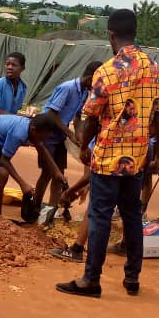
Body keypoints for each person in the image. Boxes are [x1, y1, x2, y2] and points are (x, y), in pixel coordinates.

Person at [56, 9, 159, 298]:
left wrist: (83, 146)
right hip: (138, 156)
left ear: (111, 35)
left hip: (108, 156)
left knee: (100, 214)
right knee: (132, 216)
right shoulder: (156, 69)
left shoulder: (106, 71)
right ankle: (132, 279)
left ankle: (91, 280)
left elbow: (91, 118)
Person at [34, 60, 104, 212]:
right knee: (47, 173)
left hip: (59, 136)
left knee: (59, 174)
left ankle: (51, 209)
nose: (99, 86)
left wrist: (79, 136)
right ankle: (35, 207)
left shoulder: (85, 92)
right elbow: (51, 113)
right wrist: (70, 133)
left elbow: (77, 117)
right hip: (47, 134)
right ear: (91, 77)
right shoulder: (67, 88)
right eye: (98, 80)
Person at [0, 112, 66, 215]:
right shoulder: (19, 134)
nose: (42, 140)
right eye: (42, 137)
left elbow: (41, 147)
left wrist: (56, 172)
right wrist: (22, 184)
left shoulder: (31, 128)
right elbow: (4, 160)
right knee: (1, 175)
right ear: (33, 130)